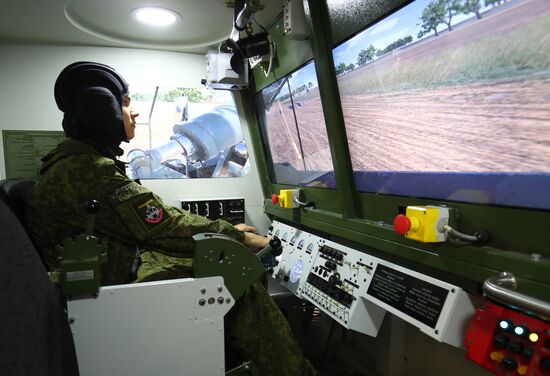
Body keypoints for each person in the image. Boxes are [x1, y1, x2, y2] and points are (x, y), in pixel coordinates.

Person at [27, 61, 315, 376]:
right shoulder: (89, 169)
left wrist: (225, 231)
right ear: (102, 110)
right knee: (240, 284)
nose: (133, 113)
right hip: (111, 286)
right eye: (125, 104)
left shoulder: (72, 163)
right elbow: (162, 225)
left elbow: (155, 217)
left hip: (108, 276)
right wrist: (240, 238)